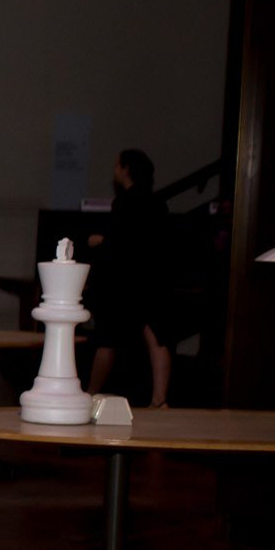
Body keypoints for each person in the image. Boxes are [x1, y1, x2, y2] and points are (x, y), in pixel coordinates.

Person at [85, 147, 173, 408]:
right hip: (152, 279)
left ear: (126, 169)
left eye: (116, 166)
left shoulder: (124, 202)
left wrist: (99, 241)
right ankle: (160, 398)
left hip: (125, 282)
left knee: (108, 340)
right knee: (156, 338)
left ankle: (89, 394)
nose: (114, 171)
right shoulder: (158, 203)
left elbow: (119, 243)